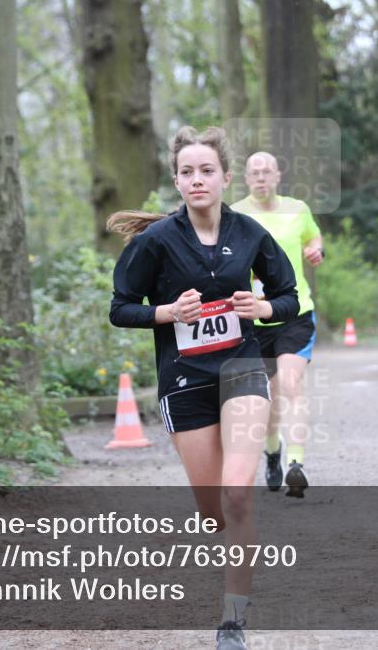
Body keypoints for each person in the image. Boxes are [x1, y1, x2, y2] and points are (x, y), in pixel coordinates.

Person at [108, 127, 299, 650]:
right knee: (215, 510)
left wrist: (261, 308)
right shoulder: (155, 242)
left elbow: (287, 298)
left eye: (207, 170)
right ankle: (237, 548)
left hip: (241, 369)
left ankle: (232, 620)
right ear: (176, 180)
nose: (198, 179)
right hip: (185, 381)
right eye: (188, 172)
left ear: (225, 177)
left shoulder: (251, 233)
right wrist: (167, 312)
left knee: (238, 494)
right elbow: (120, 308)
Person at [231, 152, 323, 498]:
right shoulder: (236, 215)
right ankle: (273, 452)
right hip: (253, 318)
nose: (260, 177)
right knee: (266, 398)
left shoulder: (297, 209)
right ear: (246, 178)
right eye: (254, 172)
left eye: (266, 170)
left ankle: (295, 463)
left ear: (278, 175)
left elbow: (314, 237)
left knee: (290, 384)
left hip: (294, 312)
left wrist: (316, 251)